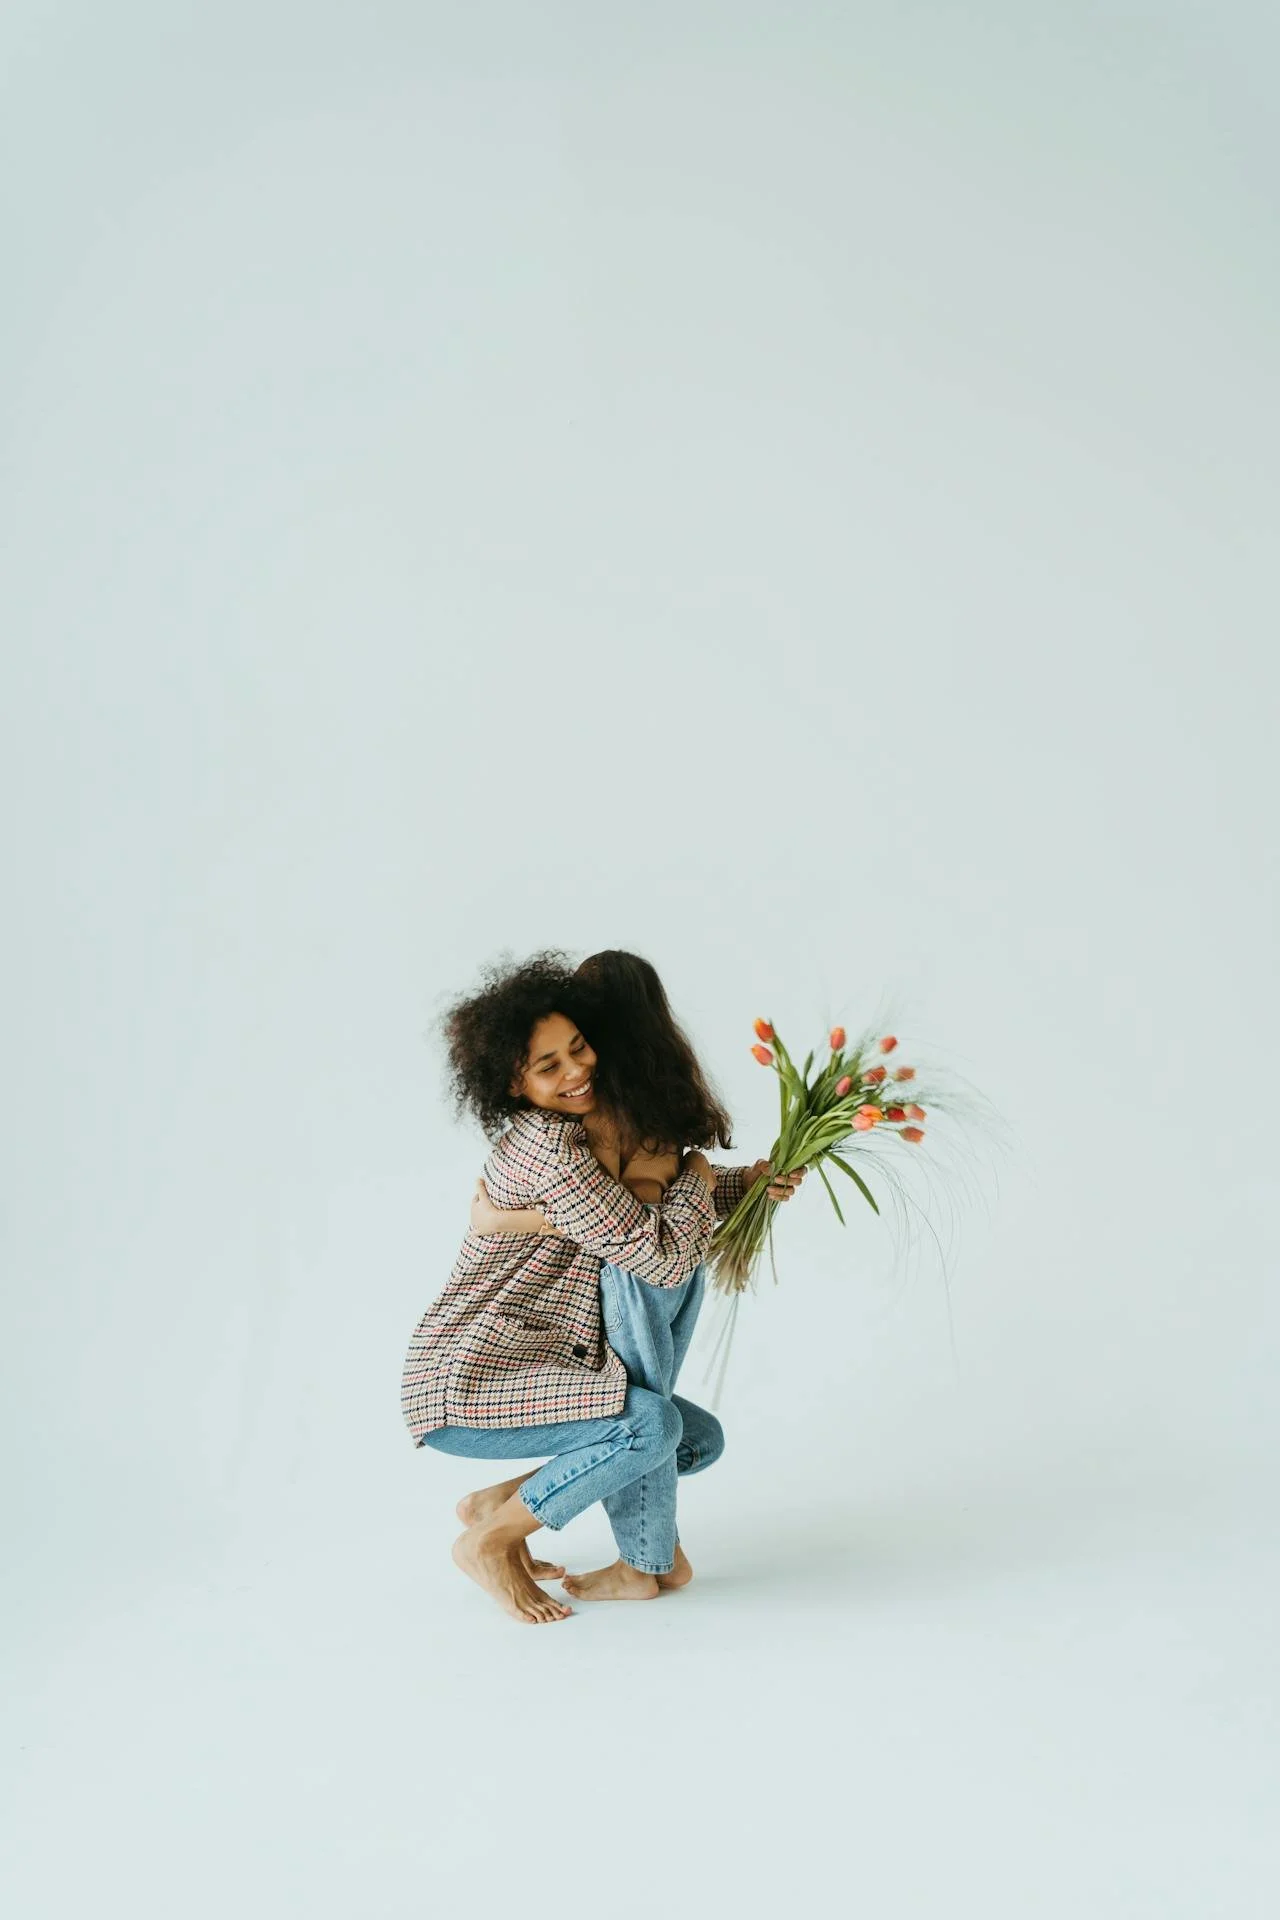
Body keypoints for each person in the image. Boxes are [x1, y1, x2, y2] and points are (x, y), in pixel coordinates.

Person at [401, 951, 794, 1625]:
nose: (576, 1070)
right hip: (473, 1377)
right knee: (652, 1427)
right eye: (548, 1066)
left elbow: (637, 1214)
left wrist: (742, 1184)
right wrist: (700, 1178)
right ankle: (490, 1541)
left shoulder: (588, 1132)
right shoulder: (552, 1153)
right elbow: (658, 1258)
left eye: (578, 1049)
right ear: (512, 1085)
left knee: (693, 1439)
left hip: (548, 1366)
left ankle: (501, 1503)